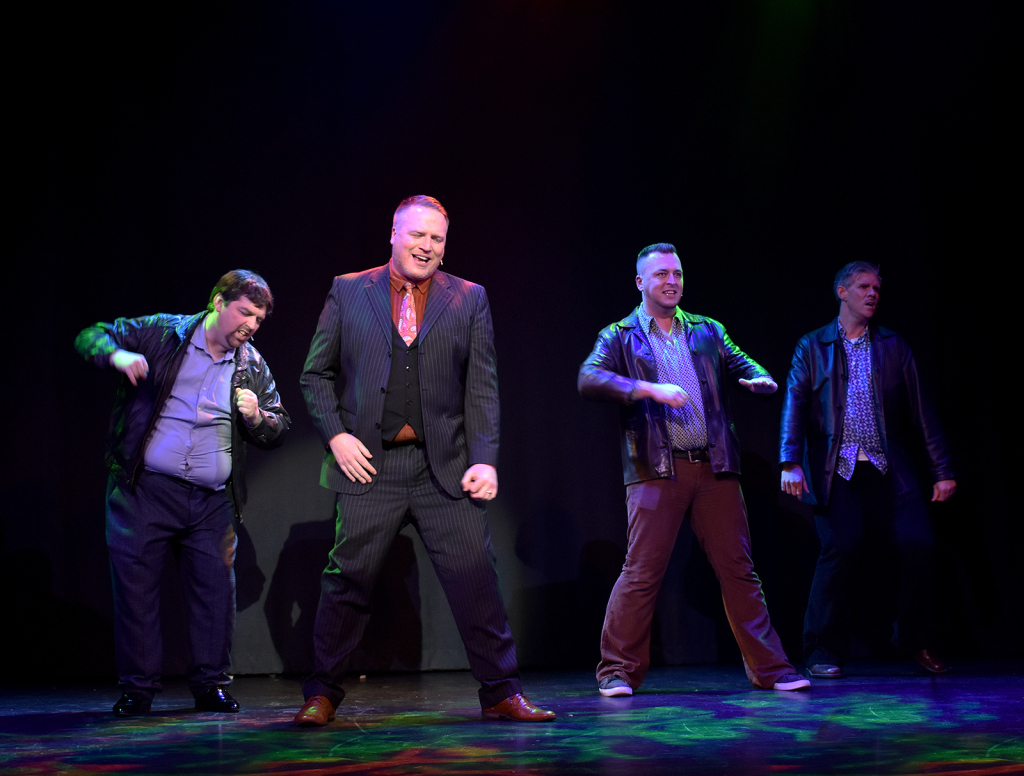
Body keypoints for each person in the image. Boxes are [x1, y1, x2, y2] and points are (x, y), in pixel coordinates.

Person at [294, 195, 554, 725]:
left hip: (445, 466)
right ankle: (321, 695)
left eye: (437, 238)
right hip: (371, 465)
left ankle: (501, 691)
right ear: (394, 234)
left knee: (476, 578)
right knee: (348, 581)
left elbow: (482, 385)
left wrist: (485, 459)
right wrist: (337, 437)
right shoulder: (349, 290)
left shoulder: (469, 297)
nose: (426, 246)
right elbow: (315, 374)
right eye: (417, 235)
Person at [578, 243, 809, 697]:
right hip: (657, 470)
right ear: (640, 282)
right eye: (661, 274)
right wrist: (649, 389)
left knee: (739, 570)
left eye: (677, 274)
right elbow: (590, 378)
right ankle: (617, 671)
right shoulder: (619, 335)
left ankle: (772, 669)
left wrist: (759, 377)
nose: (672, 281)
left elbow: (742, 361)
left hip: (714, 469)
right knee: (642, 572)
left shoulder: (707, 330)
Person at [75, 270, 290, 716]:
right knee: (136, 592)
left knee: (215, 596)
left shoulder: (251, 364)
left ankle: (210, 686)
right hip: (144, 490)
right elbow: (91, 336)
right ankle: (138, 689)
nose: (251, 325)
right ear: (218, 302)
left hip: (211, 501)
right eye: (245, 313)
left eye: (259, 319)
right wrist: (116, 355)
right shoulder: (164, 332)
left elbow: (278, 426)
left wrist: (257, 418)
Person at [779, 261, 956, 678]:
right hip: (835, 468)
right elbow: (795, 404)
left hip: (888, 465)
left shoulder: (893, 346)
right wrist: (790, 460)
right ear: (842, 292)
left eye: (876, 287)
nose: (872, 293)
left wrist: (942, 469)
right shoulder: (813, 346)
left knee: (918, 543)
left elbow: (922, 411)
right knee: (841, 548)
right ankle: (823, 649)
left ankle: (914, 638)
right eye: (863, 286)